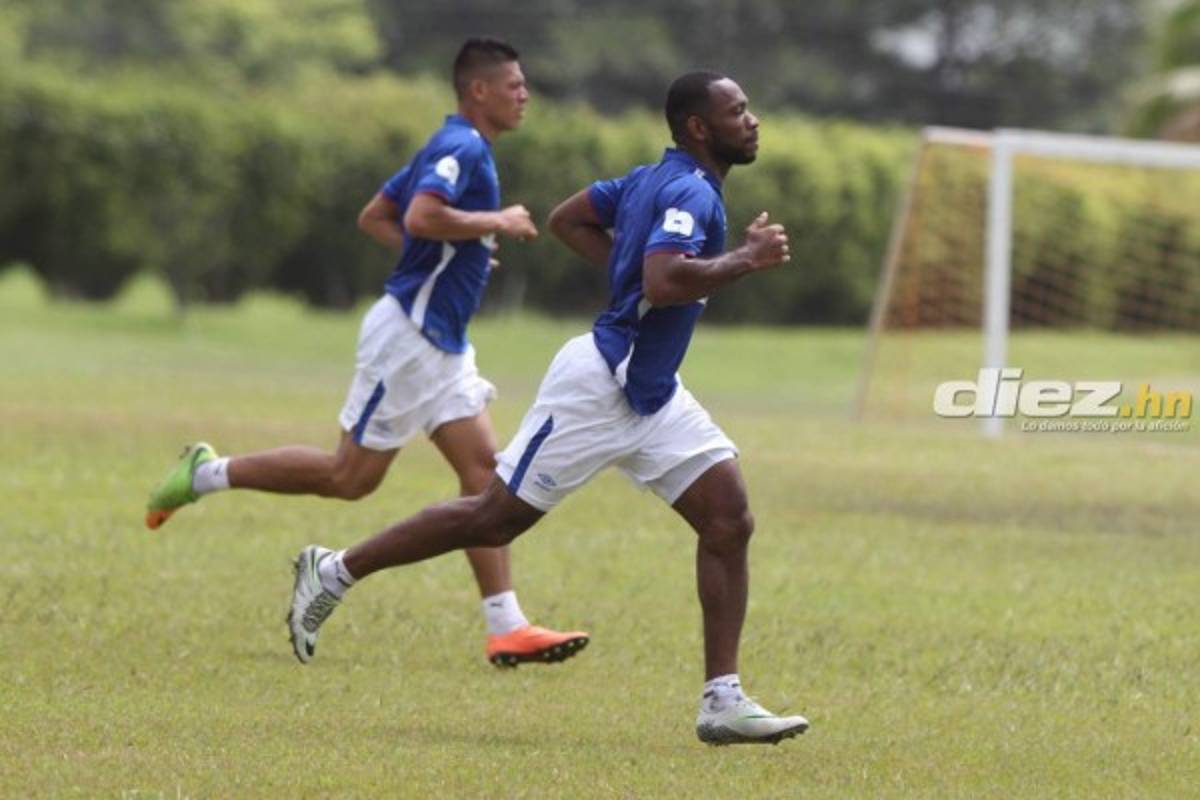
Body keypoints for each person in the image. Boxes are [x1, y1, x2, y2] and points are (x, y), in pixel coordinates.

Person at [286, 70, 809, 746]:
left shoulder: (651, 180)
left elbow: (569, 219)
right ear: (699, 128)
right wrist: (744, 259)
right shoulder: (686, 191)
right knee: (493, 518)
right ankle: (333, 570)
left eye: (749, 107)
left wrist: (632, 273)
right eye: (737, 111)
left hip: (652, 391)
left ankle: (723, 701)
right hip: (602, 384)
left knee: (729, 518)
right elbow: (664, 277)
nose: (753, 119)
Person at [144, 37, 588, 669]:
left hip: (442, 345)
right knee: (348, 478)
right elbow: (422, 217)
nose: (525, 95)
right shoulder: (460, 147)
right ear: (478, 90)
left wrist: (442, 257)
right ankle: (205, 473)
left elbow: (377, 215)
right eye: (514, 85)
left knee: (486, 475)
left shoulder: (456, 145)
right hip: (408, 343)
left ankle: (505, 625)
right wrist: (493, 223)